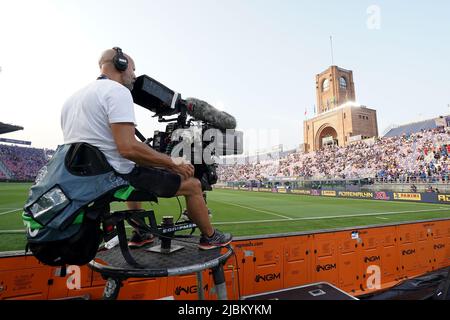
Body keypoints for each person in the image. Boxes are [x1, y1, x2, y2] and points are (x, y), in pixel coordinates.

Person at [60, 47, 232, 250]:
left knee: (134, 167)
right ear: (120, 65)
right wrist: (172, 162)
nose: (134, 76)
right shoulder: (117, 92)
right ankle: (210, 237)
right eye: (132, 69)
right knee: (193, 185)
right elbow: (128, 149)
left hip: (92, 179)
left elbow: (115, 145)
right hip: (117, 177)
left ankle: (141, 233)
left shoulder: (73, 99)